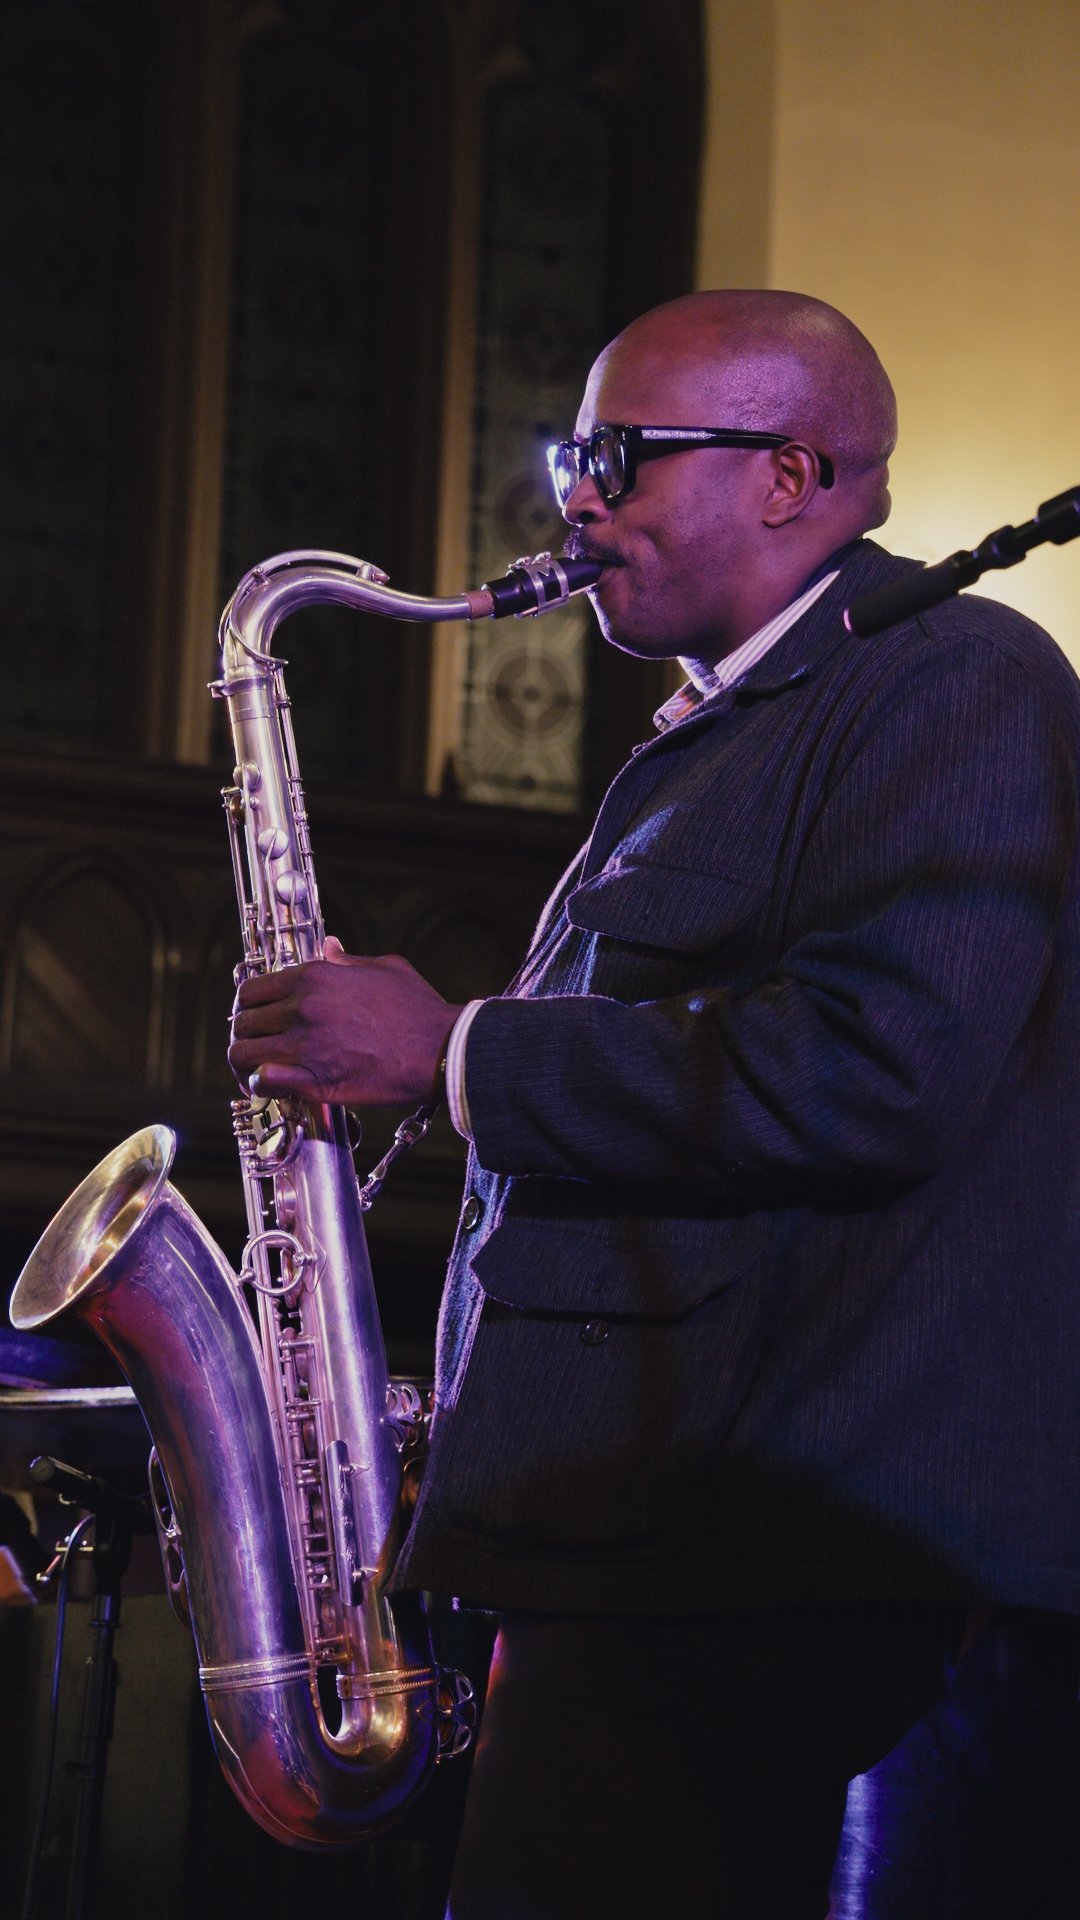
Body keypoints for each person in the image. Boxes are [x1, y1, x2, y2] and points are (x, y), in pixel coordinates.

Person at [229, 291, 1080, 1918]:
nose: (575, 499)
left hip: (747, 1543)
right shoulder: (730, 726)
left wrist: (456, 1053)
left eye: (618, 457)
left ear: (789, 475)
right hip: (644, 1520)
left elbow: (876, 1069)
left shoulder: (954, 677)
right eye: (572, 456)